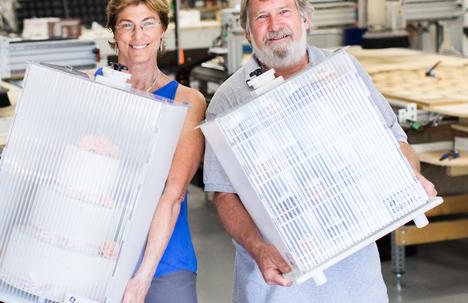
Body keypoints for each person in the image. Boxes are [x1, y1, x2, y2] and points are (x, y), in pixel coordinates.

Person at [203, 0, 437, 302]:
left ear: (305, 20)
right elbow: (224, 194)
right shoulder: (229, 99)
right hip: (280, 286)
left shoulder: (340, 70)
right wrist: (259, 250)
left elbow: (394, 142)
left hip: (357, 281)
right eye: (262, 17)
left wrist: (410, 176)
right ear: (248, 33)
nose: (275, 26)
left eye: (284, 11)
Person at [101, 0, 206, 302]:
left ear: (162, 30)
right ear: (113, 31)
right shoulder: (95, 89)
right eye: (127, 24)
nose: (138, 35)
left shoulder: (187, 101)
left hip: (163, 260)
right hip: (100, 249)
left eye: (148, 23)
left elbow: (173, 194)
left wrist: (142, 276)